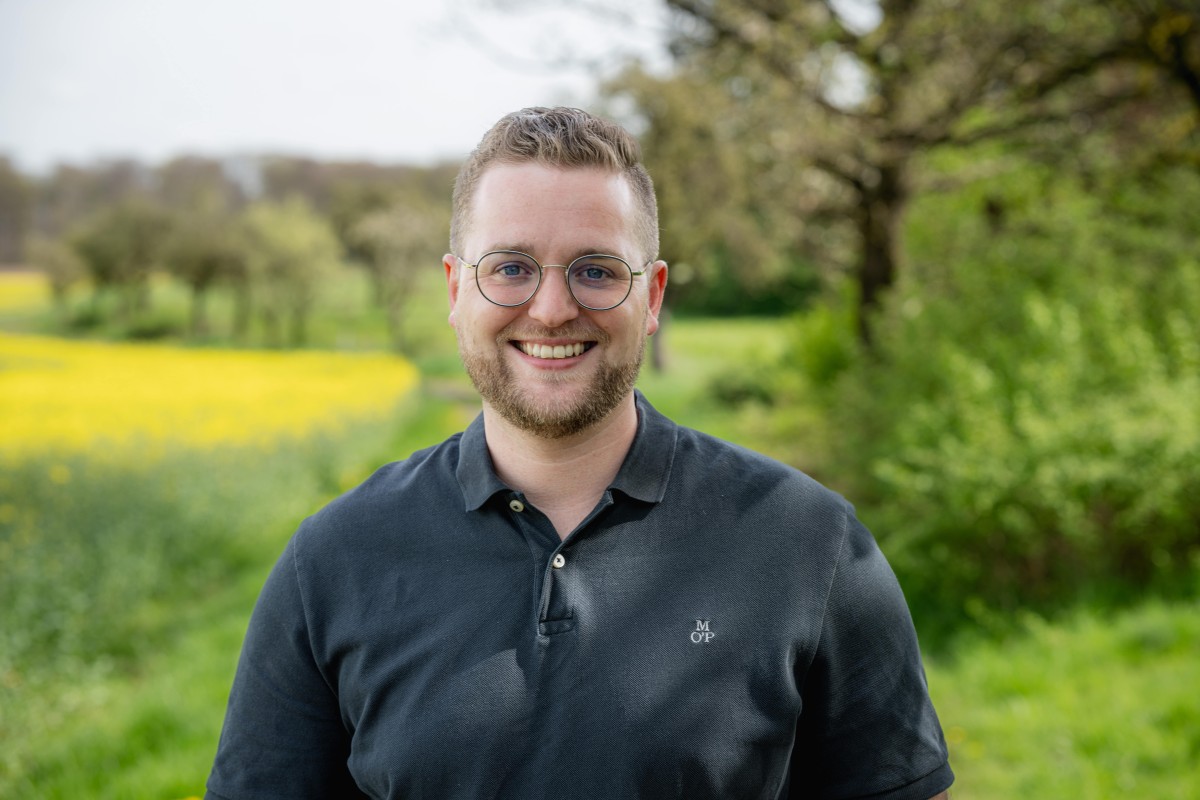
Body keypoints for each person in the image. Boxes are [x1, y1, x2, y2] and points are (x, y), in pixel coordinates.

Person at [206, 107, 954, 800]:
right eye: (510, 267)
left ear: (652, 296)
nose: (554, 307)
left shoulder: (807, 543)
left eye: (596, 270)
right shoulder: (335, 561)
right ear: (455, 289)